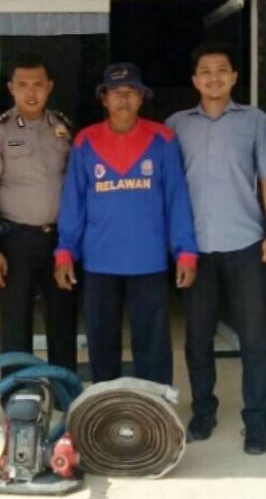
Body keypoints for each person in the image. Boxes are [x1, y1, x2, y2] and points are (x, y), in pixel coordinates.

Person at [166, 42, 266, 453]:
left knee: (254, 336)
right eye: (205, 71)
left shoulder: (255, 121)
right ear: (194, 80)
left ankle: (257, 419)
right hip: (195, 248)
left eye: (222, 70)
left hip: (246, 243)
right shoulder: (176, 125)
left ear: (235, 77)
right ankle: (203, 411)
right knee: (198, 337)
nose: (213, 77)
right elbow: (166, 187)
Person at [55, 62, 198, 385]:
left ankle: (155, 406)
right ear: (104, 99)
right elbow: (73, 201)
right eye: (116, 92)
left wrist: (185, 251)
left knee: (153, 346)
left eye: (131, 91)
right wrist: (65, 251)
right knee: (102, 344)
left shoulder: (162, 138)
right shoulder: (85, 141)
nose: (123, 98)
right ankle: (107, 406)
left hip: (148, 261)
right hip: (99, 261)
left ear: (141, 97)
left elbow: (176, 199)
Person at [0, 53, 77, 375]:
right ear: (11, 88)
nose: (31, 92)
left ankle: (65, 394)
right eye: (23, 85)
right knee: (15, 327)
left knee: (63, 321)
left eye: (38, 85)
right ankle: (17, 397)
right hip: (15, 240)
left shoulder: (63, 127)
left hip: (59, 241)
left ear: (50, 86)